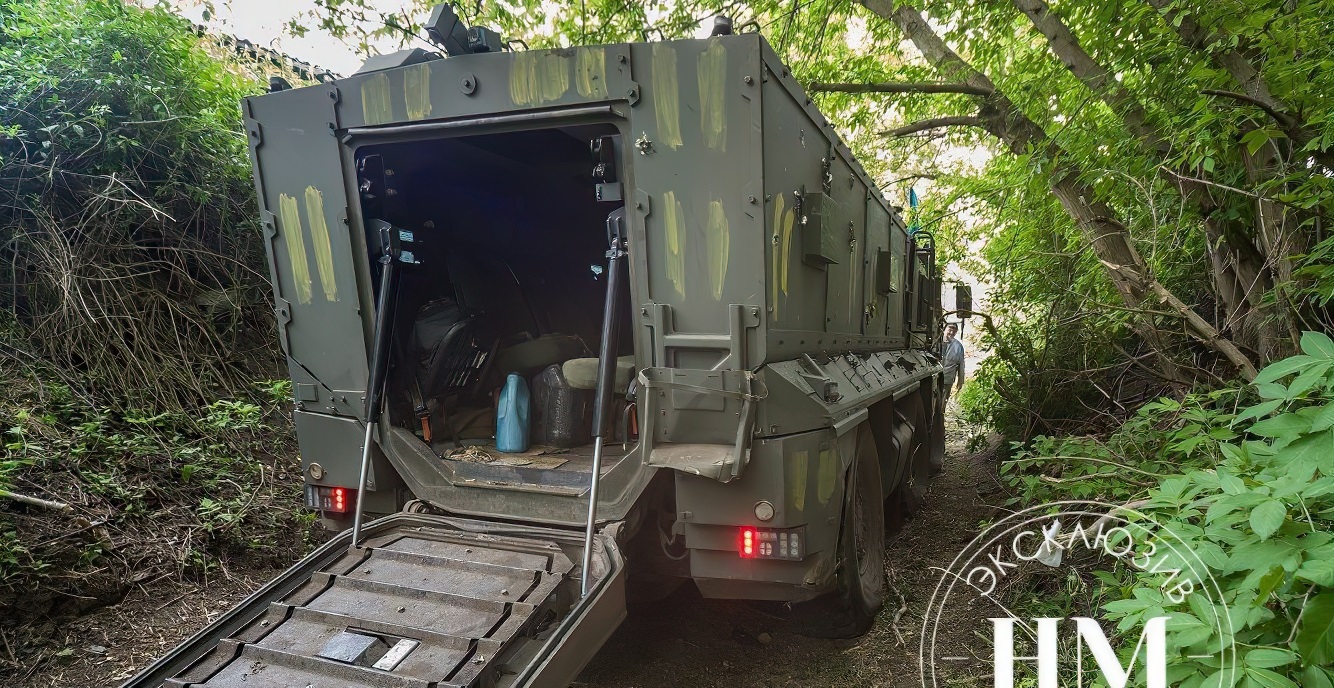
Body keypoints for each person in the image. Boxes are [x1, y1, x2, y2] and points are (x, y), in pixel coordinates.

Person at [941, 322, 965, 403]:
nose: (951, 333)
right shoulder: (936, 342)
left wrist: (960, 381)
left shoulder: (958, 346)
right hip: (934, 377)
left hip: (948, 378)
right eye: (950, 329)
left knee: (944, 400)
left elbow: (961, 365)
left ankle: (941, 413)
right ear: (944, 329)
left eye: (954, 331)